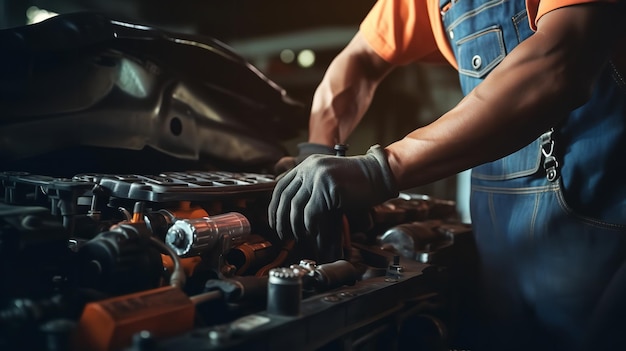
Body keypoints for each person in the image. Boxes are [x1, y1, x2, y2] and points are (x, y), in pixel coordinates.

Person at [268, 0, 626, 350]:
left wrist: (380, 168)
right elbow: (358, 60)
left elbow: (560, 63)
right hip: (500, 243)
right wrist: (316, 151)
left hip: (599, 233)